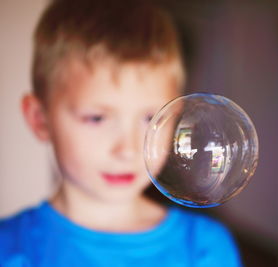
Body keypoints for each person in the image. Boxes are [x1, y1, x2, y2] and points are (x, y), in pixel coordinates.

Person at [0, 0, 242, 266]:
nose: (127, 149)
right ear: (40, 120)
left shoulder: (206, 247)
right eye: (97, 118)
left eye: (150, 118)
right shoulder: (9, 248)